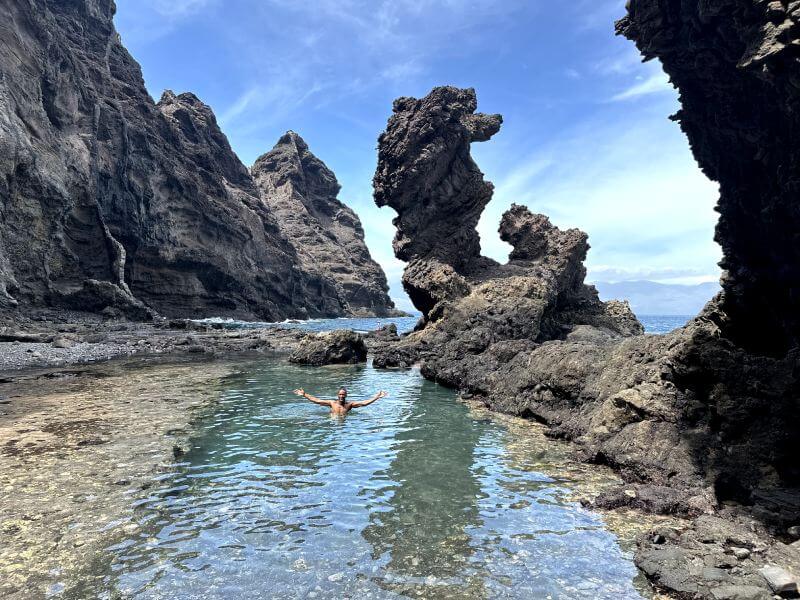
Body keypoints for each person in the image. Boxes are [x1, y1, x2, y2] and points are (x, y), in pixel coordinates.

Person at [293, 386, 387, 416]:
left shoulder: (350, 405)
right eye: (340, 394)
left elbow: (364, 403)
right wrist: (305, 395)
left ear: (346, 395)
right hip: (332, 420)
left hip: (343, 422)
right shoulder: (332, 403)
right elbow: (317, 400)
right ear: (338, 395)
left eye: (343, 394)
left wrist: (377, 397)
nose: (341, 396)